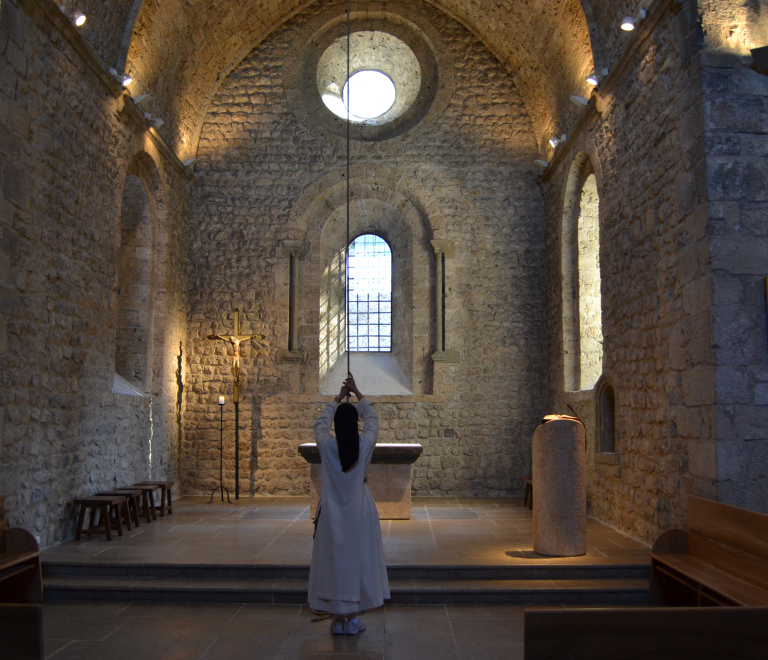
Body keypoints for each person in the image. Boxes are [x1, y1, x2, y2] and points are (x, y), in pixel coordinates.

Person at [308, 373, 390, 635]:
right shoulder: (364, 444)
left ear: (335, 425)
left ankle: (336, 620)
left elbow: (319, 423)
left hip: (332, 511)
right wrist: (357, 393)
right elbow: (373, 420)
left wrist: (336, 400)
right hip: (359, 511)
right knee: (358, 561)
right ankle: (353, 619)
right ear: (355, 424)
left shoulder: (327, 445)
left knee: (334, 562)